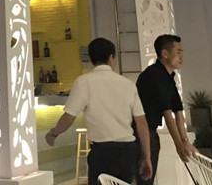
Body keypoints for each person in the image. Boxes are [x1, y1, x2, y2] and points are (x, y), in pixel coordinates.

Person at [45, 37, 152, 184]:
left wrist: (54, 133)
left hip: (102, 152)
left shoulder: (84, 82)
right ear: (111, 58)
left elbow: (69, 117)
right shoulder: (128, 84)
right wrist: (146, 157)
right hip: (128, 151)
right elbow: (142, 123)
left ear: (92, 59)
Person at [134, 34, 197, 185]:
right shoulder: (154, 75)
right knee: (145, 179)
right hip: (141, 134)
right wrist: (179, 146)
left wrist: (184, 141)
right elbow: (167, 112)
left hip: (150, 133)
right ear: (165, 53)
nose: (181, 57)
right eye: (178, 52)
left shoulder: (168, 77)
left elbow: (178, 110)